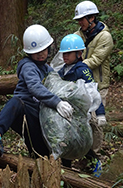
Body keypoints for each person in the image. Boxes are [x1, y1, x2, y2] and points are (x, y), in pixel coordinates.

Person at [0, 24, 74, 160]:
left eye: (43, 50)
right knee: (15, 102)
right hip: (24, 109)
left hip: (38, 115)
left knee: (40, 153)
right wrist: (57, 103)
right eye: (36, 52)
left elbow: (58, 83)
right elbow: (35, 87)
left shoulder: (47, 69)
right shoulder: (28, 66)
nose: (41, 55)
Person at [58, 34, 105, 176]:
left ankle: (94, 162)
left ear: (79, 53)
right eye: (63, 53)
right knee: (66, 141)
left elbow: (93, 92)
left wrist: (100, 113)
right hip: (66, 113)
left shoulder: (82, 70)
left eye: (68, 53)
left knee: (81, 141)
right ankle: (66, 170)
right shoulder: (62, 71)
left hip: (81, 114)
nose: (65, 56)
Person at [73, 0, 113, 161]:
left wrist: (76, 66)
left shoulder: (105, 37)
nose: (79, 23)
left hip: (98, 84)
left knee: (96, 121)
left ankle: (95, 157)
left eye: (82, 19)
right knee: (83, 119)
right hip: (80, 84)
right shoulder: (77, 36)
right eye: (78, 20)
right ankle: (84, 155)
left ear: (92, 18)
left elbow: (96, 60)